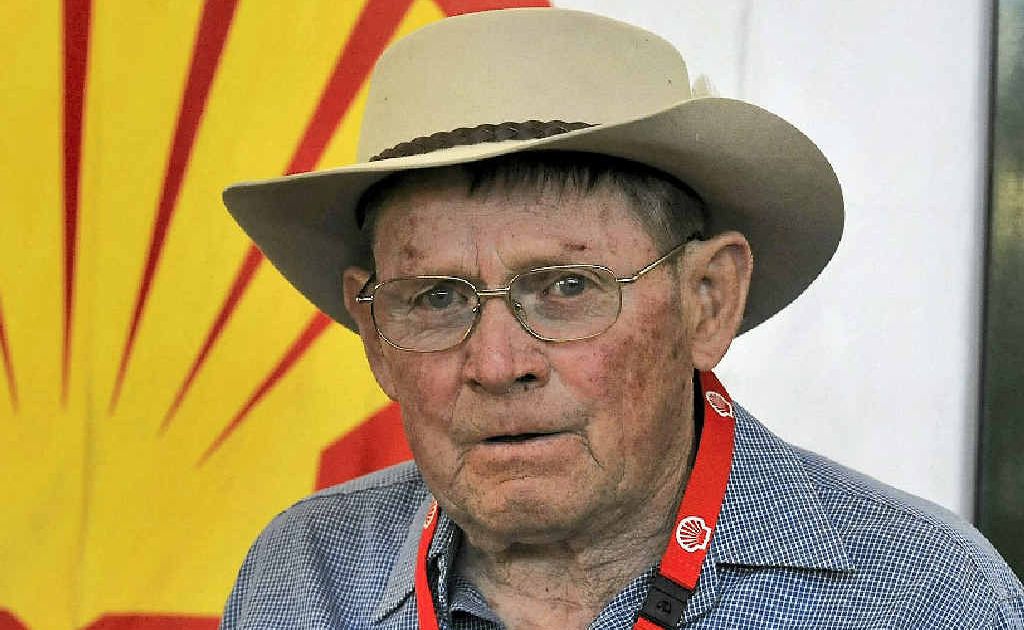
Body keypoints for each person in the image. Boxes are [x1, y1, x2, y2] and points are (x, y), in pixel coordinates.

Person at [218, 8, 1024, 629]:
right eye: (437, 298)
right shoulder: (302, 578)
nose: (498, 363)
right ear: (376, 341)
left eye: (565, 287)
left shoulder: (919, 596)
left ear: (706, 302)